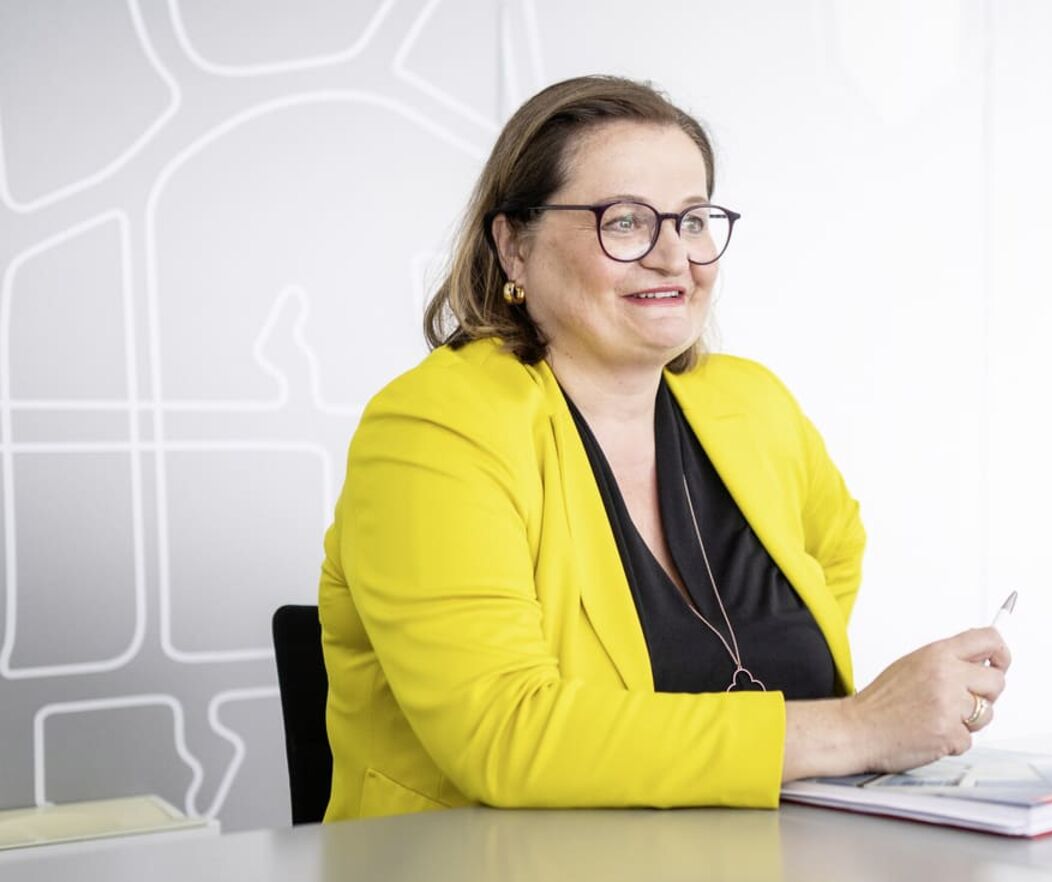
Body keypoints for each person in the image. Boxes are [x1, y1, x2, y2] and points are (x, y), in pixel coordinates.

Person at [318, 76, 1009, 820]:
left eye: (693, 220)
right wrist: (856, 728)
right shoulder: (435, 427)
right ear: (513, 245)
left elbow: (833, 552)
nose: (672, 257)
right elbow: (504, 733)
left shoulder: (751, 403)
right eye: (625, 222)